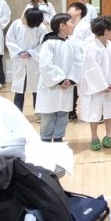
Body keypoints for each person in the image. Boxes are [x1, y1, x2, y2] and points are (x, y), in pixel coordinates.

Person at [35, 13, 78, 142]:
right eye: (71, 22)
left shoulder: (71, 43)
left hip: (67, 85)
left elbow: (77, 63)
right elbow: (45, 64)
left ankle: (59, 139)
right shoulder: (49, 43)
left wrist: (70, 79)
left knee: (63, 114)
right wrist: (60, 80)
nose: (74, 25)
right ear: (62, 26)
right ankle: (46, 140)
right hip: (52, 86)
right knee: (49, 114)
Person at [80, 16, 111, 151]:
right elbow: (91, 68)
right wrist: (103, 85)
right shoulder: (91, 47)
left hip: (109, 84)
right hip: (96, 86)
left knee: (109, 110)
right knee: (94, 111)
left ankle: (108, 135)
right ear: (106, 31)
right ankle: (94, 136)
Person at [5, 7, 47, 113]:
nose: (22, 18)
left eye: (25, 18)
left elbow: (44, 44)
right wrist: (19, 52)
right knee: (19, 89)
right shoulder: (16, 24)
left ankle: (39, 112)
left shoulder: (41, 28)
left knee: (36, 89)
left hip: (34, 61)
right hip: (20, 60)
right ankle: (17, 112)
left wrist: (31, 53)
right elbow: (9, 40)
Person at [68, 1, 91, 120]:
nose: (68, 12)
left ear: (78, 11)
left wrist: (74, 44)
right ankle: (71, 111)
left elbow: (88, 44)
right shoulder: (69, 25)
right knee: (72, 85)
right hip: (71, 60)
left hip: (82, 60)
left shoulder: (86, 26)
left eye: (70, 9)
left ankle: (91, 113)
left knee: (83, 87)